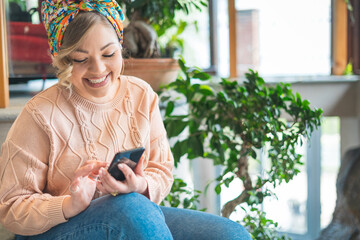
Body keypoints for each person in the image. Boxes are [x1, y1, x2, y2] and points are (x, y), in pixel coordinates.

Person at [0, 1, 252, 239]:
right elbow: (10, 207)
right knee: (131, 211)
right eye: (81, 59)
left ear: (120, 47)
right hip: (56, 229)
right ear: (63, 59)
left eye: (109, 54)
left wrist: (140, 184)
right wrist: (69, 203)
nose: (98, 69)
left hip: (131, 215)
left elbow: (161, 168)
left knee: (231, 235)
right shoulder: (40, 114)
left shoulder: (141, 95)